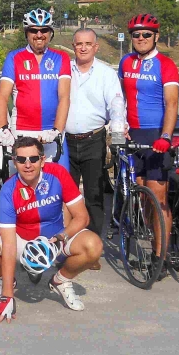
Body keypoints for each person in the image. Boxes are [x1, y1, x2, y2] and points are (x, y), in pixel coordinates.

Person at [0, 136, 103, 320]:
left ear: (42, 160)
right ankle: (3, 280)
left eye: (33, 158)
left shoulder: (59, 174)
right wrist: (7, 296)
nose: (28, 164)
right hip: (20, 240)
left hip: (54, 239)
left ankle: (61, 280)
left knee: (93, 246)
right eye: (22, 159)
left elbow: (82, 217)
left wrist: (61, 237)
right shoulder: (8, 189)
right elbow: (8, 245)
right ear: (15, 162)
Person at [117, 14, 179, 254]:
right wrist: (120, 124)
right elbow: (120, 97)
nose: (141, 38)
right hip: (133, 136)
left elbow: (172, 103)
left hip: (156, 136)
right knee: (142, 195)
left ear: (156, 37)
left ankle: (159, 254)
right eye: (136, 35)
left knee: (158, 196)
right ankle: (153, 240)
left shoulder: (166, 64)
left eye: (146, 35)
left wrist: (165, 136)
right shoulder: (125, 62)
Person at [66, 27, 125, 262]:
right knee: (65, 197)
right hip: (65, 142)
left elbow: (116, 104)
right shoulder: (65, 70)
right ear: (73, 46)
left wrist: (118, 134)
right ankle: (68, 247)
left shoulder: (106, 74)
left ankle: (91, 251)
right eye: (78, 44)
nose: (83, 47)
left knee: (93, 195)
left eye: (87, 44)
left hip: (94, 139)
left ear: (96, 47)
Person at [0, 8, 71, 169]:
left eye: (44, 30)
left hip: (51, 131)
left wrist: (57, 130)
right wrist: (3, 128)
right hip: (22, 131)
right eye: (33, 31)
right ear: (26, 33)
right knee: (20, 187)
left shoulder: (61, 57)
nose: (39, 35)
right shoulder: (14, 57)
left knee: (55, 187)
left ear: (50, 33)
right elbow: (2, 97)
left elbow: (64, 97)